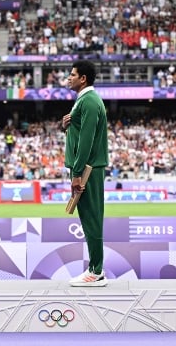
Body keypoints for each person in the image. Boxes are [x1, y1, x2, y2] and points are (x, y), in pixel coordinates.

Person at [62, 60, 109, 287]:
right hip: (85, 168)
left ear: (83, 78)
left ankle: (96, 270)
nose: (68, 78)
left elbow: (87, 141)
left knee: (91, 218)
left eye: (72, 74)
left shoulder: (89, 101)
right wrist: (67, 125)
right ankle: (94, 268)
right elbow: (79, 131)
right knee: (87, 218)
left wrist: (78, 173)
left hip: (88, 169)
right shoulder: (84, 100)